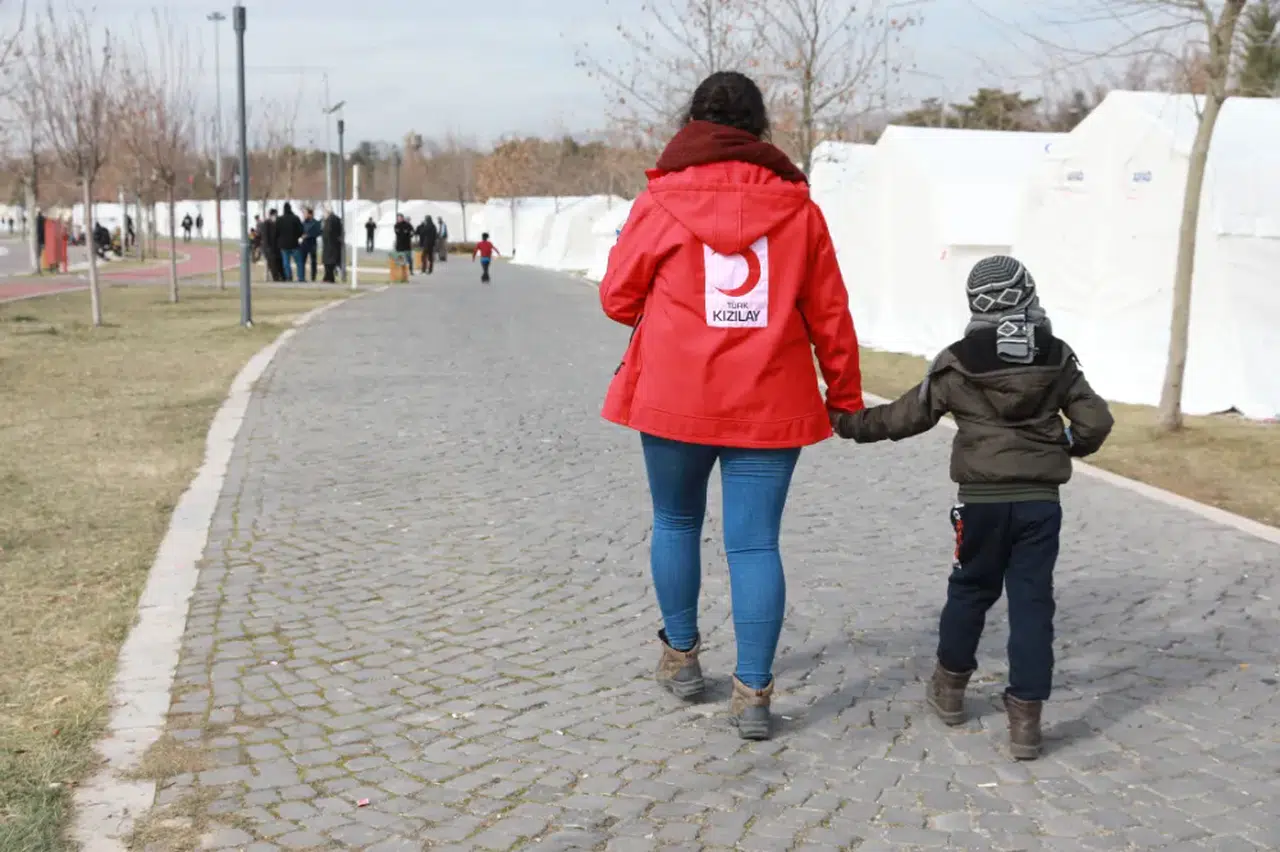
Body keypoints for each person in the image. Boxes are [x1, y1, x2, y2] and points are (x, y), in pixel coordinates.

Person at [598, 71, 863, 740]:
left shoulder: (658, 202)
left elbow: (616, 298)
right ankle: (753, 693)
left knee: (676, 521)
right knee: (755, 545)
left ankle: (682, 656)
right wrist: (846, 394)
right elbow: (829, 311)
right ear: (760, 130)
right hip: (769, 401)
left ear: (693, 125)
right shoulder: (800, 210)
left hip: (672, 398)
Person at [834, 255, 1114, 761]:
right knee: (1032, 603)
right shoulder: (1056, 355)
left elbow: (907, 416)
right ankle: (1026, 721)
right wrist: (1067, 446)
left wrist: (850, 423)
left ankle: (950, 690)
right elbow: (1096, 422)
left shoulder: (957, 359)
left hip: (980, 504)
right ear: (1028, 294)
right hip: (1039, 505)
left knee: (968, 592)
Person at [276, 202, 305, 282]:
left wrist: (279, 240)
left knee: (286, 263)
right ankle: (301, 278)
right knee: (299, 262)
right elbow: (301, 230)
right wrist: (297, 236)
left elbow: (276, 232)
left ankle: (289, 277)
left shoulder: (279, 219)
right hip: (294, 244)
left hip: (283, 245)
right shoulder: (295, 218)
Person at [321, 206, 343, 282]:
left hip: (330, 245)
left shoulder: (329, 220)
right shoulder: (336, 219)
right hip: (333, 244)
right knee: (330, 262)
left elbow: (328, 232)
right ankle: (328, 277)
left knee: (328, 262)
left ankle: (329, 277)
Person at [301, 207, 322, 281]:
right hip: (304, 244)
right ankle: (302, 277)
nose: (304, 215)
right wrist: (302, 235)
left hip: (312, 243)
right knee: (302, 261)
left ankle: (313, 277)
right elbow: (300, 231)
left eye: (306, 213)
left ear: (310, 214)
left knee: (313, 261)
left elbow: (319, 233)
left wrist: (309, 235)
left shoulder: (316, 223)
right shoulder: (303, 222)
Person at [261, 209, 282, 281]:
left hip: (275, 248)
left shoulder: (275, 223)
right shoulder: (266, 223)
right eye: (275, 215)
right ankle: (276, 279)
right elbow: (265, 236)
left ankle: (279, 278)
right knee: (272, 264)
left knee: (277, 263)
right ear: (272, 215)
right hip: (268, 248)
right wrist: (268, 248)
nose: (276, 216)